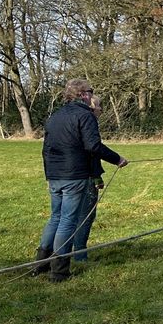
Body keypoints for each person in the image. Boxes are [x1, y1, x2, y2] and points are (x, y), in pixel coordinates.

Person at [35, 79, 128, 282]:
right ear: (83, 94)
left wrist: (48, 175)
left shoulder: (54, 116)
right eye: (90, 91)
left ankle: (40, 264)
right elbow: (93, 146)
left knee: (55, 217)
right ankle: (59, 271)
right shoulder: (85, 115)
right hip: (74, 175)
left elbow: (45, 150)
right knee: (67, 220)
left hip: (55, 174)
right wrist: (117, 159)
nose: (91, 95)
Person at [71, 95, 107, 262]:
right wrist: (117, 159)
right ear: (92, 108)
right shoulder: (88, 121)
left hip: (68, 175)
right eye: (99, 106)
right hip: (84, 176)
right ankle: (80, 255)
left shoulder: (73, 120)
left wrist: (98, 175)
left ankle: (56, 255)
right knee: (85, 215)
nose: (101, 110)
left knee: (67, 216)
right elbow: (92, 151)